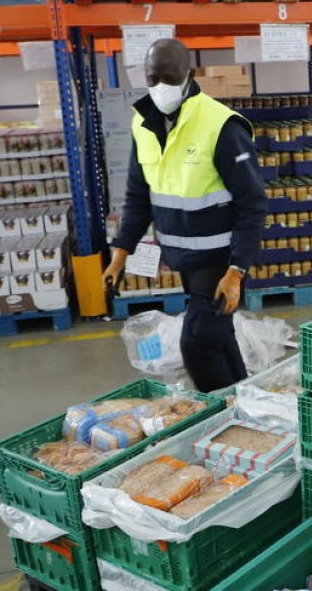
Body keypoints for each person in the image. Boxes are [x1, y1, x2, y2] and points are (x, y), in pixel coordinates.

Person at [103, 38, 267, 391]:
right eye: (153, 77)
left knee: (197, 342)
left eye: (170, 76)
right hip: (185, 259)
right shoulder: (142, 125)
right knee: (218, 336)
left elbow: (252, 202)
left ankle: (220, 411)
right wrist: (121, 252)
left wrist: (237, 270)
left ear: (189, 74)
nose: (161, 85)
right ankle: (244, 400)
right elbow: (138, 195)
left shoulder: (220, 125)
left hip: (221, 260)